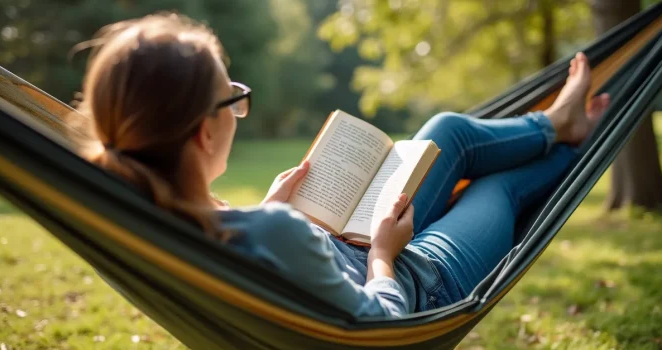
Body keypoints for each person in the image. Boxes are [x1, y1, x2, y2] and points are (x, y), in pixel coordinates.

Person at [76, 14, 610, 318]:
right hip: (413, 278)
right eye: (234, 99)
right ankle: (577, 141)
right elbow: (381, 328)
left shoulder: (132, 217)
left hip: (348, 243)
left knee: (448, 131)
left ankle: (559, 124)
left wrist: (265, 209)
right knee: (496, 192)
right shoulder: (268, 231)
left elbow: (253, 256)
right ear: (203, 130)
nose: (240, 110)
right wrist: (382, 254)